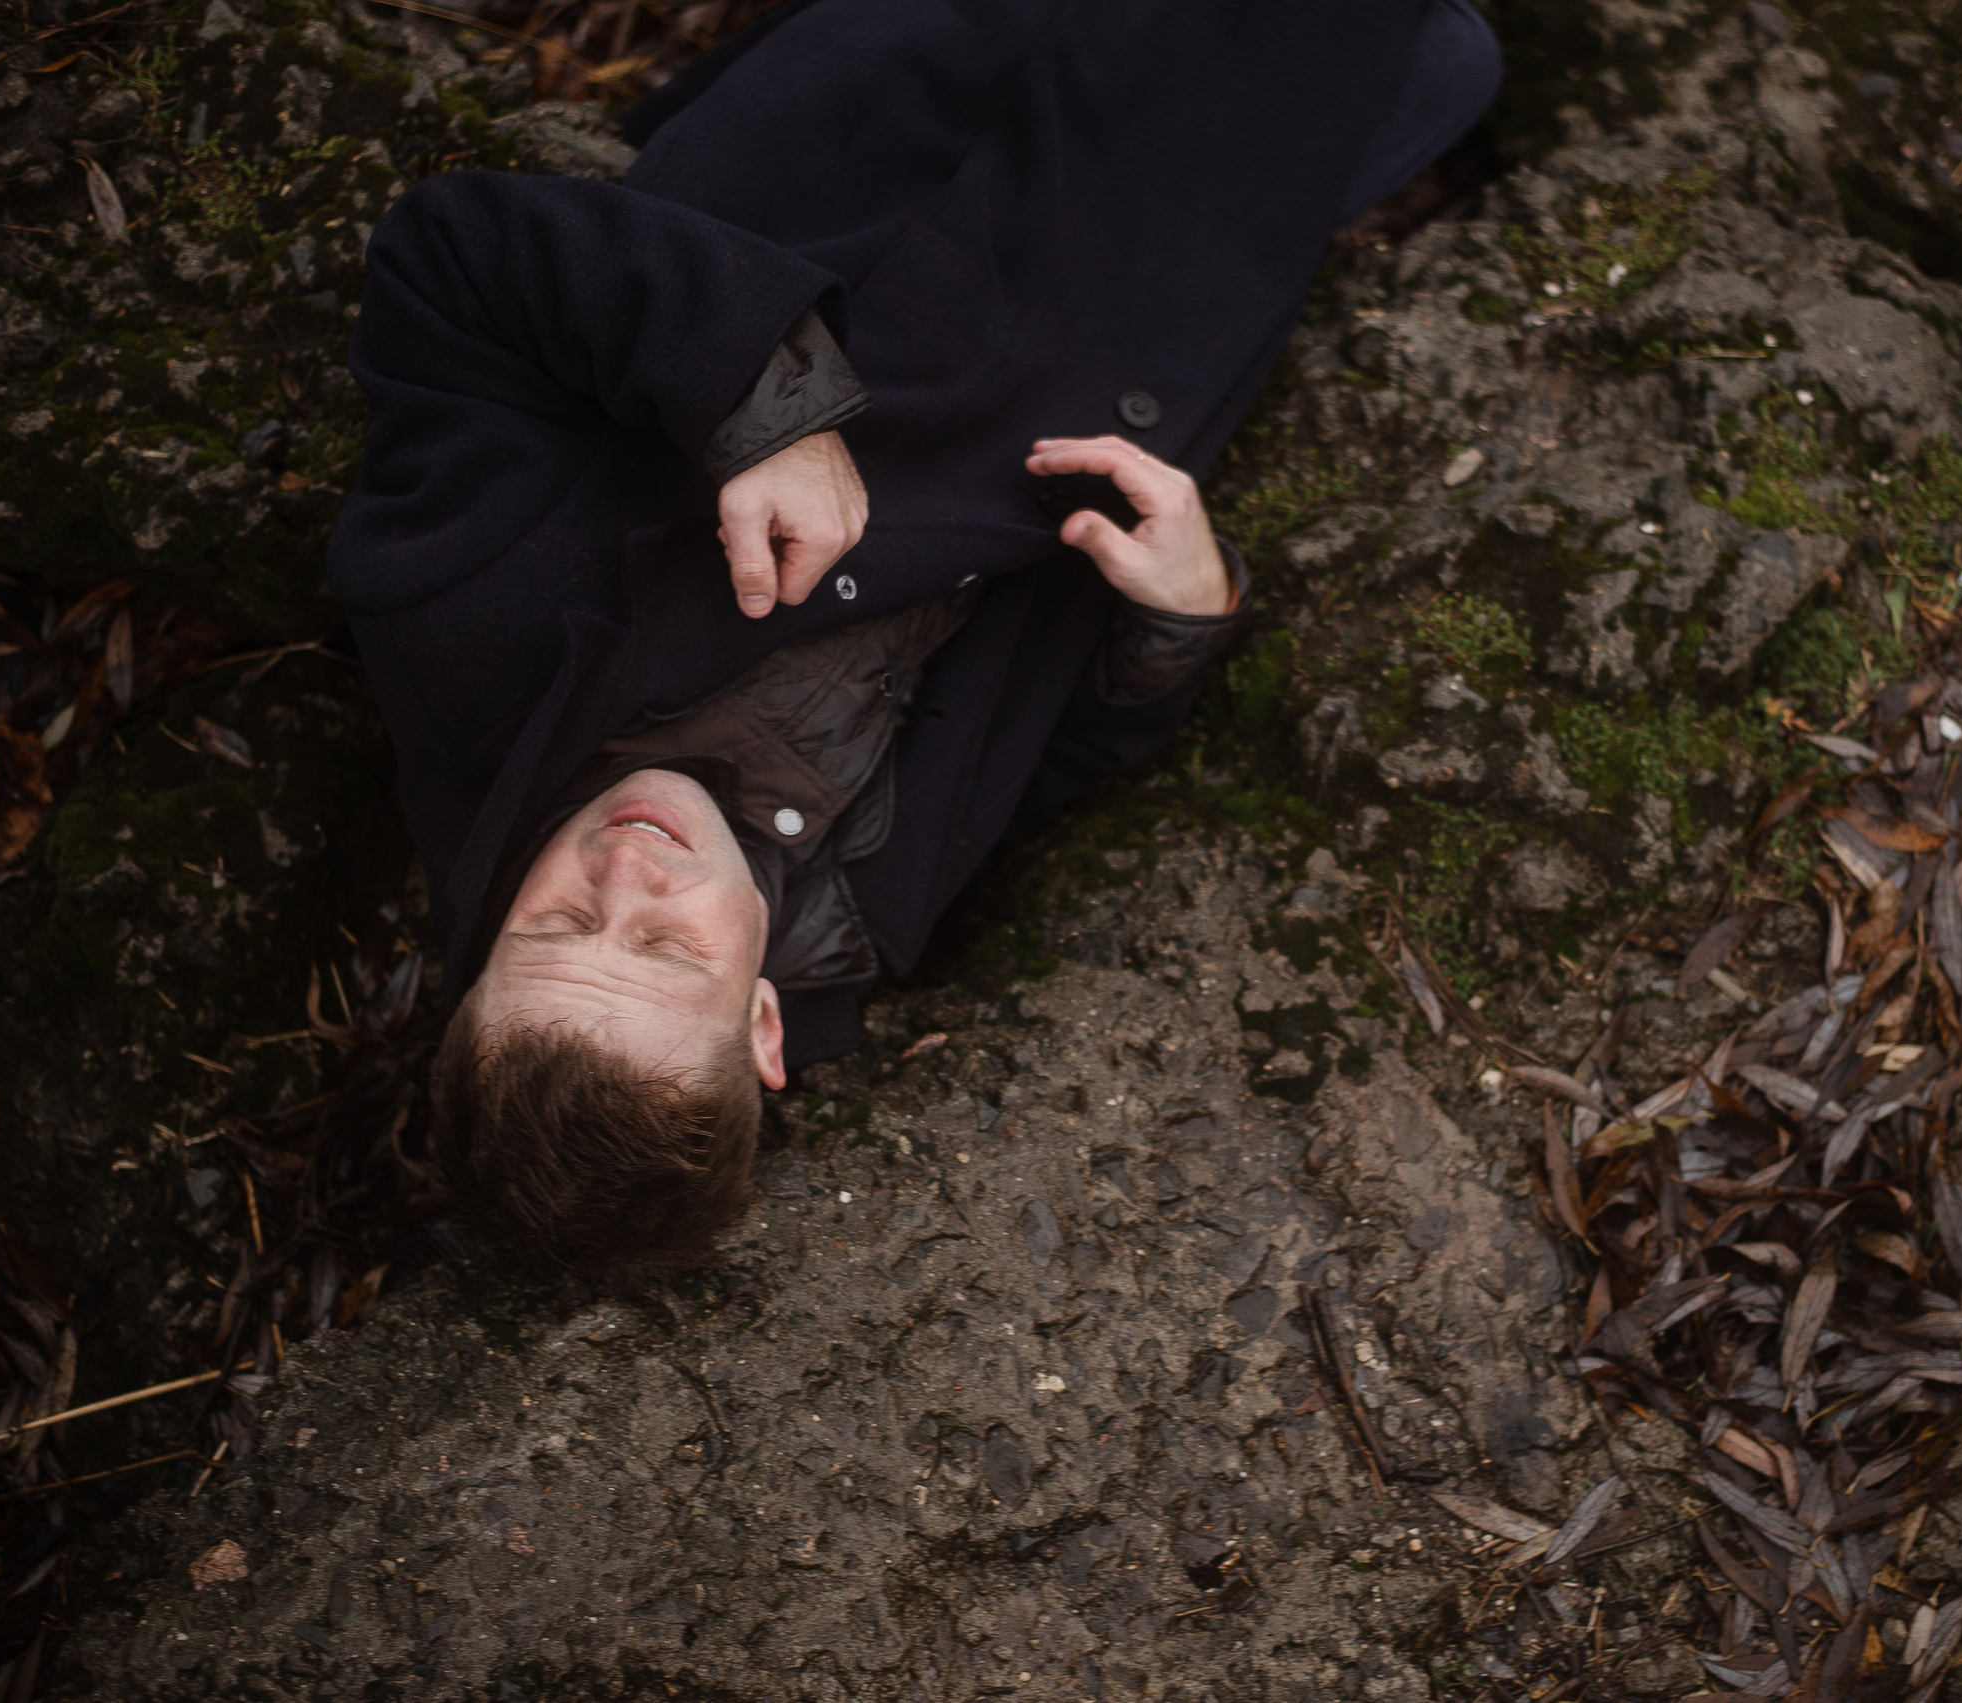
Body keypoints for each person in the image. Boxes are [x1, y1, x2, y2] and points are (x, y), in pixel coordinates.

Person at [328, 0, 1500, 1273]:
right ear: (764, 1025)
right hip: (1179, 285)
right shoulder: (864, 931)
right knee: (1452, 69)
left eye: (551, 928)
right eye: (667, 946)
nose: (625, 874)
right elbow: (1043, 762)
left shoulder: (463, 634)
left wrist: (765, 411)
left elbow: (447, 262)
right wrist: (1176, 618)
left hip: (973, 128)